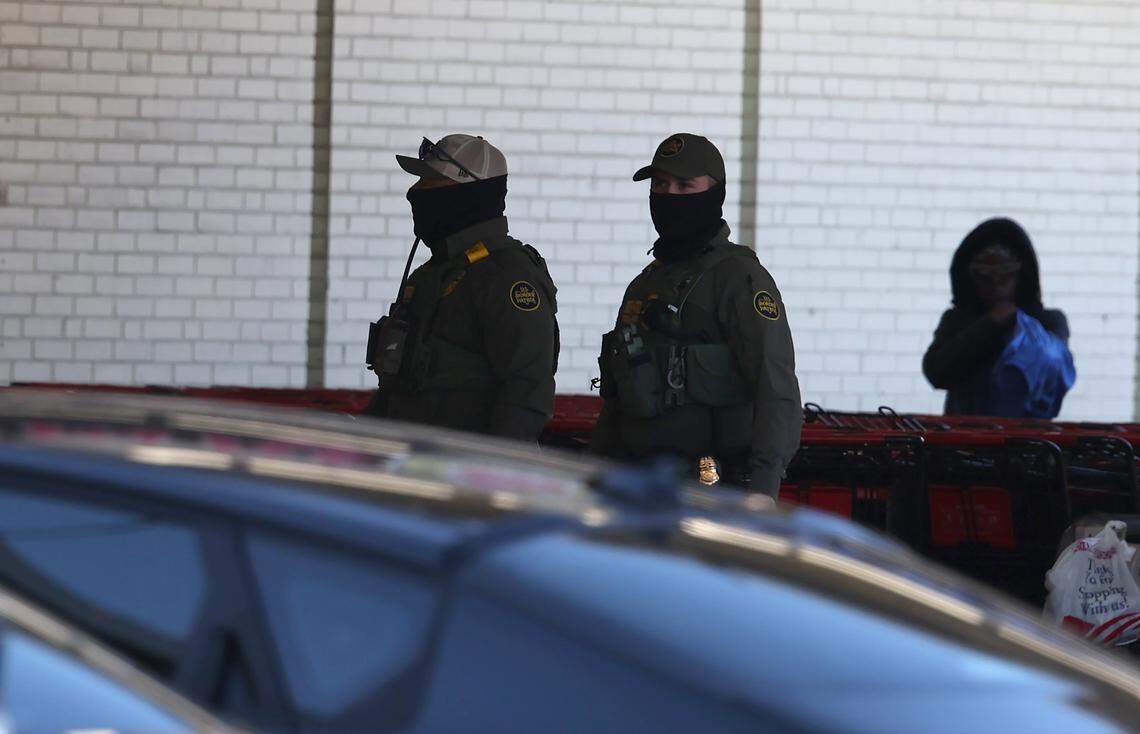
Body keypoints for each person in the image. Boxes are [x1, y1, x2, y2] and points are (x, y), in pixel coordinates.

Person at [590, 133, 802, 497]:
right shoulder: (646, 283)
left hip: (708, 487)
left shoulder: (737, 277)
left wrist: (763, 492)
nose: (670, 196)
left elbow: (776, 390)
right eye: (660, 184)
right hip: (636, 482)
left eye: (685, 185)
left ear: (714, 193)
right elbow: (619, 396)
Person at [363, 134, 559, 441]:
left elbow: (528, 391)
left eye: (429, 182)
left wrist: (489, 474)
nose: (414, 192)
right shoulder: (430, 276)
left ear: (468, 193)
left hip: (467, 475)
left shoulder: (506, 275)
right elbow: (396, 387)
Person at [923, 217, 1074, 417]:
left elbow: (1053, 370)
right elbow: (937, 372)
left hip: (1027, 439)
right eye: (984, 277)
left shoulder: (1048, 321)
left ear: (1021, 274)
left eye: (1005, 275)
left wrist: (1018, 325)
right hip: (965, 439)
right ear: (970, 277)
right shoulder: (958, 320)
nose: (996, 285)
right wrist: (990, 324)